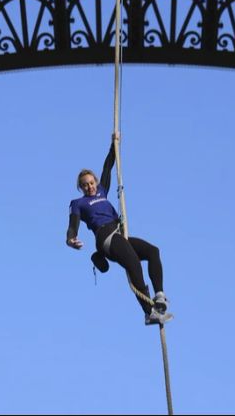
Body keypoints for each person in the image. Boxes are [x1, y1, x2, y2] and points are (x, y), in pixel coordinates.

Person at [66, 134, 173, 326]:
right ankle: (149, 313)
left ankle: (159, 296)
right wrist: (71, 238)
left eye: (91, 182)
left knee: (152, 251)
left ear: (95, 182)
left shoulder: (102, 191)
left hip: (119, 234)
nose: (89, 186)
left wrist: (113, 144)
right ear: (80, 188)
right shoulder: (78, 203)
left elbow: (108, 166)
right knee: (133, 262)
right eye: (85, 185)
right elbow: (73, 224)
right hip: (106, 237)